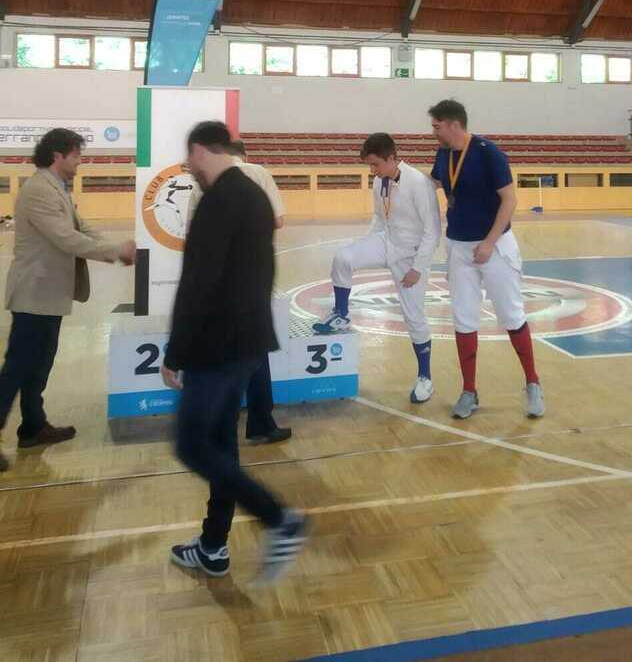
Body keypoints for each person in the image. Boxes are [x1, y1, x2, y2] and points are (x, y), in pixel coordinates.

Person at [162, 121, 308, 581]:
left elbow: (197, 283)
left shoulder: (217, 201)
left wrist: (175, 352)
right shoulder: (254, 195)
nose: (189, 167)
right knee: (222, 447)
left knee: (192, 445)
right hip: (247, 342)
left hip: (216, 346)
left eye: (190, 158)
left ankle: (279, 519)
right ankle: (213, 546)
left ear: (200, 150)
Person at [0, 129, 135, 472]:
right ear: (57, 155)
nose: (80, 162)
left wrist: (114, 246)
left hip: (48, 294)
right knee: (17, 368)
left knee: (38, 365)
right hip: (34, 293)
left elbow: (81, 228)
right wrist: (114, 252)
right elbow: (66, 239)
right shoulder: (38, 190)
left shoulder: (57, 187)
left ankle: (33, 426)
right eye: (76, 155)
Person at [429, 100, 544, 421]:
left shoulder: (488, 153)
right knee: (464, 319)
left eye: (437, 126)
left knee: (511, 315)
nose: (433, 132)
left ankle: (533, 383)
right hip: (459, 247)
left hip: (495, 247)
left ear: (453, 124)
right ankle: (469, 391)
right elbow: (434, 183)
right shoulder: (442, 155)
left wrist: (490, 242)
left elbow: (510, 199)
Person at [313, 133, 441, 403]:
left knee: (414, 316)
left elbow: (432, 232)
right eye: (369, 165)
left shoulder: (419, 184)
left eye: (375, 164)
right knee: (344, 257)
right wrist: (364, 245)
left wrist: (418, 268)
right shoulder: (379, 181)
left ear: (392, 158)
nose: (372, 170)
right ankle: (341, 314)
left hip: (411, 255)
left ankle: (425, 378)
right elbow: (380, 219)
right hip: (386, 242)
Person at [186, 139, 291, 445]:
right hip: (250, 278)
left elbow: (193, 235)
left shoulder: (201, 182)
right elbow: (278, 219)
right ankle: (260, 423)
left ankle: (219, 427)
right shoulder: (258, 173)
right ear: (244, 155)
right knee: (255, 351)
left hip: (213, 282)